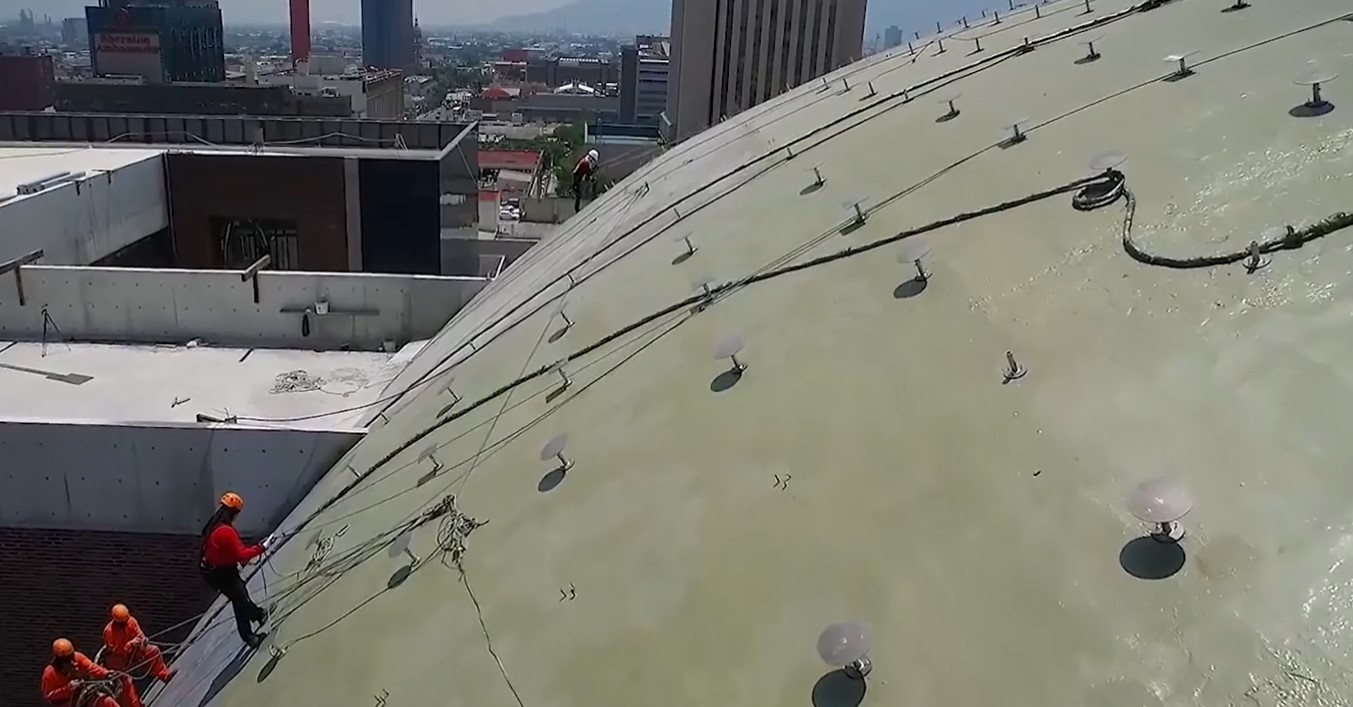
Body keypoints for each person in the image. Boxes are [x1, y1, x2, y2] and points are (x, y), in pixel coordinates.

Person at [200, 492, 270, 648]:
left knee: (240, 595)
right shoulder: (225, 531)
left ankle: (258, 614)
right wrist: (261, 548)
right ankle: (249, 636)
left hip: (214, 571)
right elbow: (241, 554)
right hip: (221, 574)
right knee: (239, 599)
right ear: (234, 513)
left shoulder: (215, 525)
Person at [102, 604, 174, 684]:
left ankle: (164, 675)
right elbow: (114, 651)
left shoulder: (131, 621)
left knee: (153, 651)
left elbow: (139, 634)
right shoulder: (109, 632)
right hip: (121, 659)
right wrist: (129, 645)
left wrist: (142, 640)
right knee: (122, 678)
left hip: (135, 650)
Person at [42, 638, 119, 707]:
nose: (72, 661)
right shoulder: (49, 673)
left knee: (107, 702)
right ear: (59, 659)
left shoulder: (77, 657)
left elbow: (92, 667)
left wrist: (106, 673)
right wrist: (68, 688)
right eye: (67, 659)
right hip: (66, 703)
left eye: (71, 656)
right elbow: (50, 696)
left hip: (84, 697)